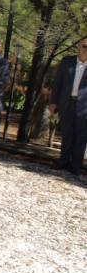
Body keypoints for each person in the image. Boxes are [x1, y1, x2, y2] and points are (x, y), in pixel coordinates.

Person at [49, 37, 87, 176]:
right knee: (66, 133)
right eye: (84, 46)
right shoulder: (67, 61)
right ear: (78, 46)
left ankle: (76, 165)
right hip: (66, 103)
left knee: (81, 136)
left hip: (84, 107)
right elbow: (57, 83)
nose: (86, 49)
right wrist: (53, 102)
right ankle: (63, 161)